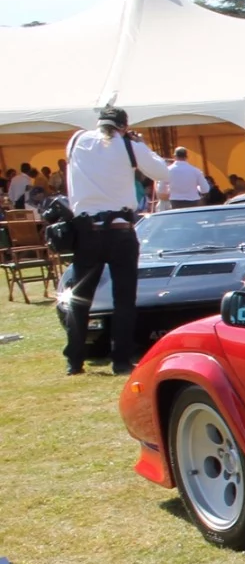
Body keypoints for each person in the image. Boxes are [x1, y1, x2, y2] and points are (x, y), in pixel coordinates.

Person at [61, 106, 173, 375]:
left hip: (86, 230)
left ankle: (74, 360)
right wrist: (140, 144)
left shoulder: (77, 140)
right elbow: (162, 173)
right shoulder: (129, 145)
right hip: (120, 231)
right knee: (123, 299)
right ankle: (120, 360)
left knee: (79, 298)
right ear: (123, 125)